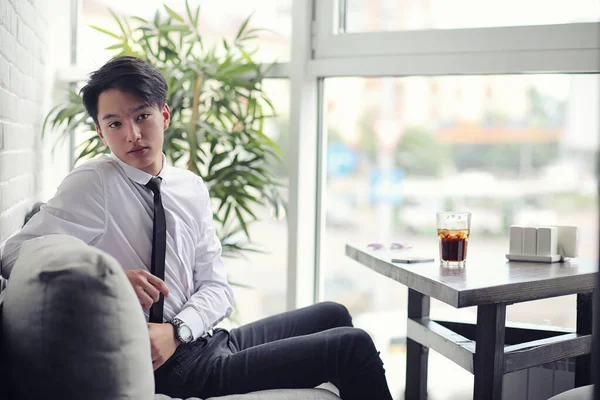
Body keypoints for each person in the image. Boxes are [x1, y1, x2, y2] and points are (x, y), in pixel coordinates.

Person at [0, 56, 393, 400]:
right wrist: (113, 277)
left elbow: (217, 288)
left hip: (199, 339)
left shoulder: (189, 187)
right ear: (100, 133)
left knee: (333, 313)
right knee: (351, 347)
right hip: (174, 369)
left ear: (164, 115)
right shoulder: (94, 183)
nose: (132, 135)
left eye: (142, 116)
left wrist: (179, 330)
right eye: (114, 123)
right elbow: (13, 254)